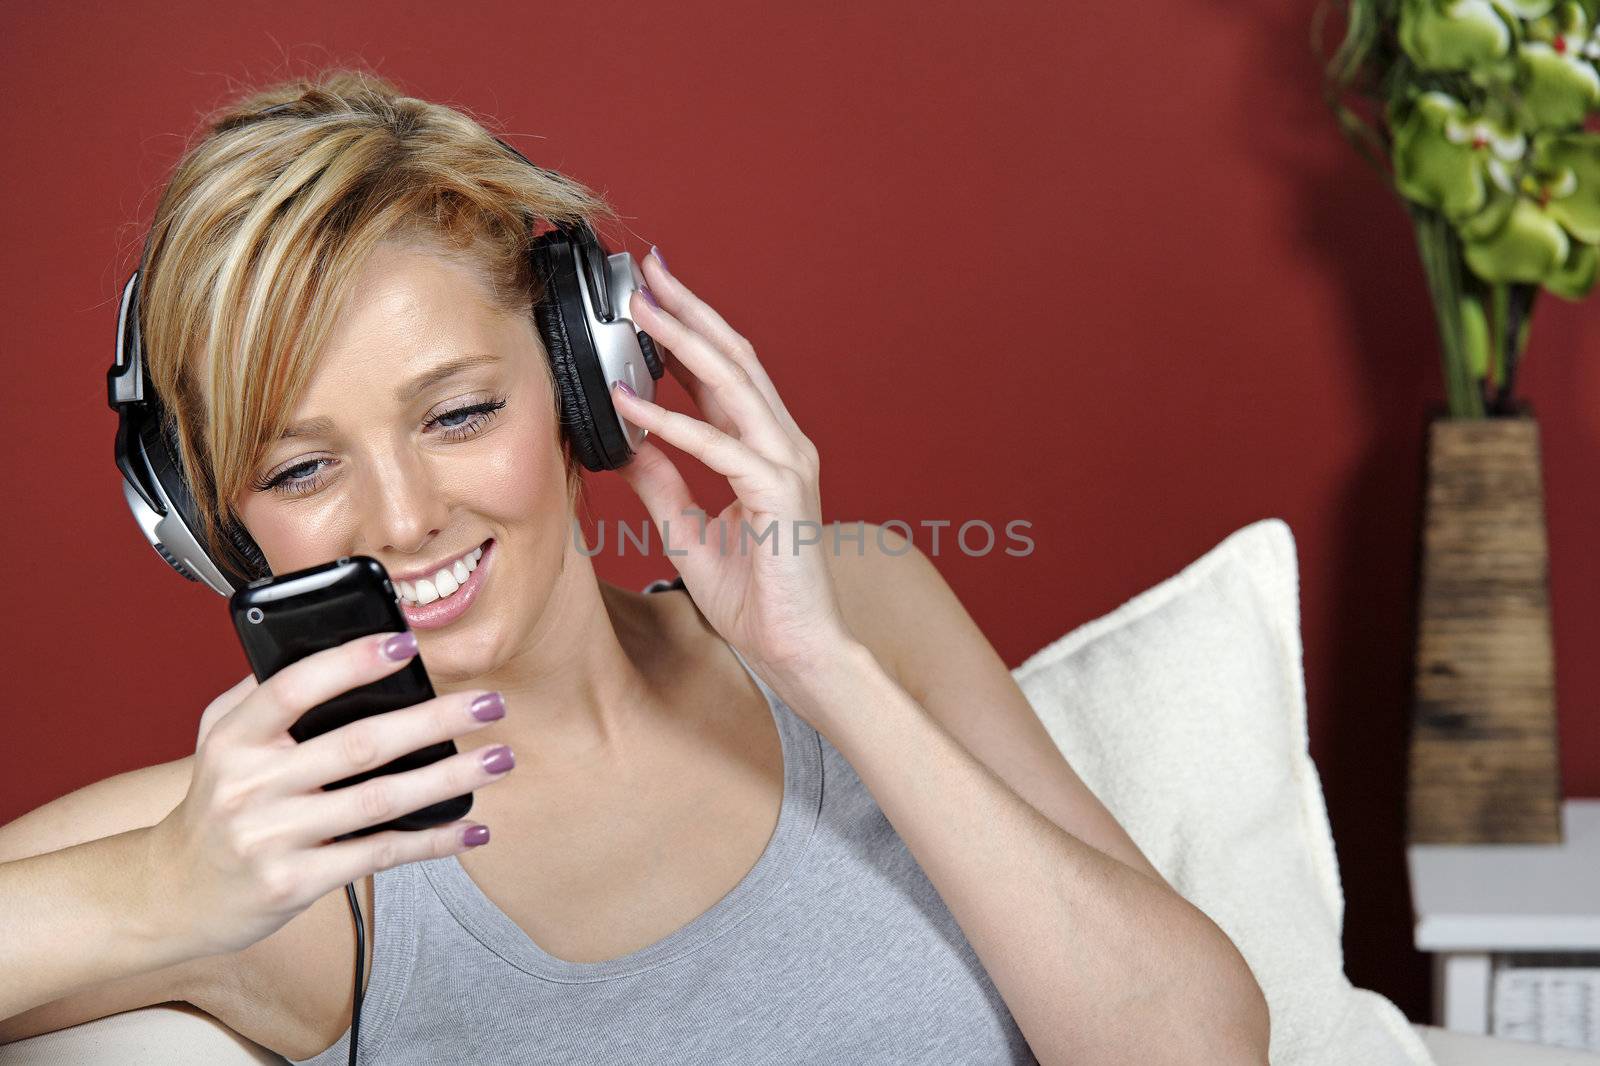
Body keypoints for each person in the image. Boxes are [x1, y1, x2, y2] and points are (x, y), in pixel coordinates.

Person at [0, 70, 1270, 1064]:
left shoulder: (861, 601)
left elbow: (1201, 1050)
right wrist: (170, 882)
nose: (402, 516)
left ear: (580, 384)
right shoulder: (290, 847)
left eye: (455, 416)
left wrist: (827, 674)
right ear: (210, 527)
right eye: (298, 471)